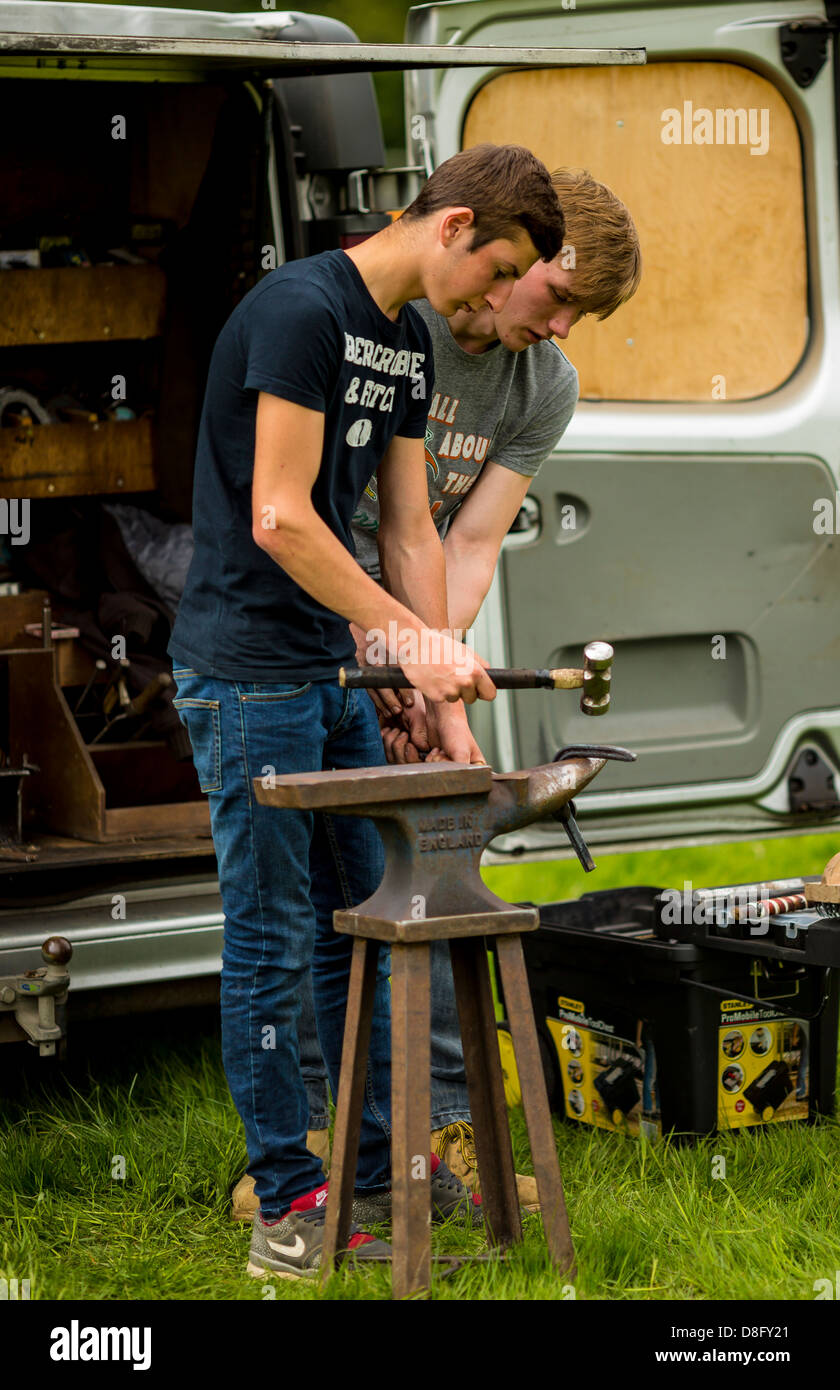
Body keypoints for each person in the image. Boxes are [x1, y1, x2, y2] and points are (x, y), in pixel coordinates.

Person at [168, 143, 566, 1280]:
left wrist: (431, 687)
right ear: (451, 228)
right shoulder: (298, 310)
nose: (498, 301)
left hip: (335, 675)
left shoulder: (396, 343)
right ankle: (288, 1204)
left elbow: (408, 532)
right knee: (273, 940)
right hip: (250, 675)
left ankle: (385, 1175)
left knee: (365, 918)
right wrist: (412, 642)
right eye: (498, 272)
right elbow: (283, 519)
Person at [231, 168, 641, 1224]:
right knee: (310, 909)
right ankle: (294, 1161)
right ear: (504, 261)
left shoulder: (543, 383)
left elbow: (460, 537)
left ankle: (431, 1130)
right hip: (315, 622)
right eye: (552, 296)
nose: (559, 328)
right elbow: (310, 513)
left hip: (405, 621)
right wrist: (398, 648)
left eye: (579, 317)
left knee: (426, 871)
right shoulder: (398, 315)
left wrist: (438, 681)